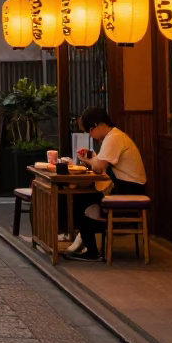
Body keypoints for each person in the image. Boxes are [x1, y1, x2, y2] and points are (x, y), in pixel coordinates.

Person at [65, 107, 148, 261]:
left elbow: (99, 167)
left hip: (129, 190)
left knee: (81, 199)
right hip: (129, 187)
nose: (91, 135)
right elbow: (100, 162)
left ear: (96, 126)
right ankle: (84, 243)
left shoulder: (113, 137)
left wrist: (86, 160)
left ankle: (90, 250)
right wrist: (92, 157)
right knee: (85, 199)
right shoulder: (115, 136)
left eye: (90, 131)